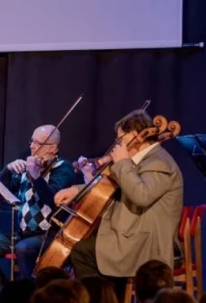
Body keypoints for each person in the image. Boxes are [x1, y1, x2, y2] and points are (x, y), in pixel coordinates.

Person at [54, 110, 184, 295]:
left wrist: (122, 162)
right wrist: (76, 190)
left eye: (120, 138)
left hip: (147, 242)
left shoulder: (159, 163)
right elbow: (112, 186)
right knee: (86, 248)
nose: (117, 144)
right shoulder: (141, 161)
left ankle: (105, 298)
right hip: (132, 235)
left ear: (134, 136)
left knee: (81, 252)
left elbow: (141, 195)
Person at [0, 125, 77, 294]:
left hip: (50, 235)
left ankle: (32, 296)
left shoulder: (63, 168)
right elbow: (1, 196)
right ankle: (3, 294)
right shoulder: (28, 167)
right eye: (31, 141)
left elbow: (52, 199)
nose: (32, 146)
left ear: (53, 148)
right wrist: (8, 170)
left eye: (37, 143)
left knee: (23, 248)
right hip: (23, 234)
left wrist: (36, 175)